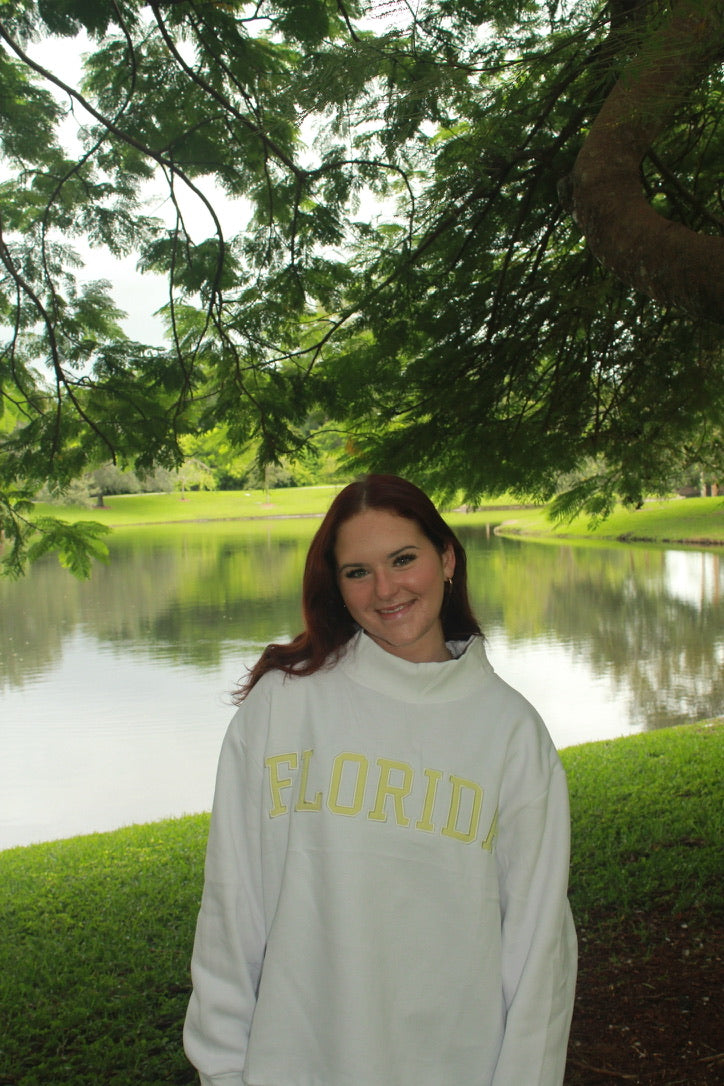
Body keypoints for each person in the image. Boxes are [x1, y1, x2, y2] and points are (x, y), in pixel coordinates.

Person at [184, 473, 577, 1086]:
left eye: (403, 559)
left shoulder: (511, 734)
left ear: (446, 559)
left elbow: (538, 953)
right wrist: (223, 1069)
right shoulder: (284, 708)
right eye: (357, 572)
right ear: (335, 586)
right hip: (295, 1064)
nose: (386, 589)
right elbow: (232, 909)